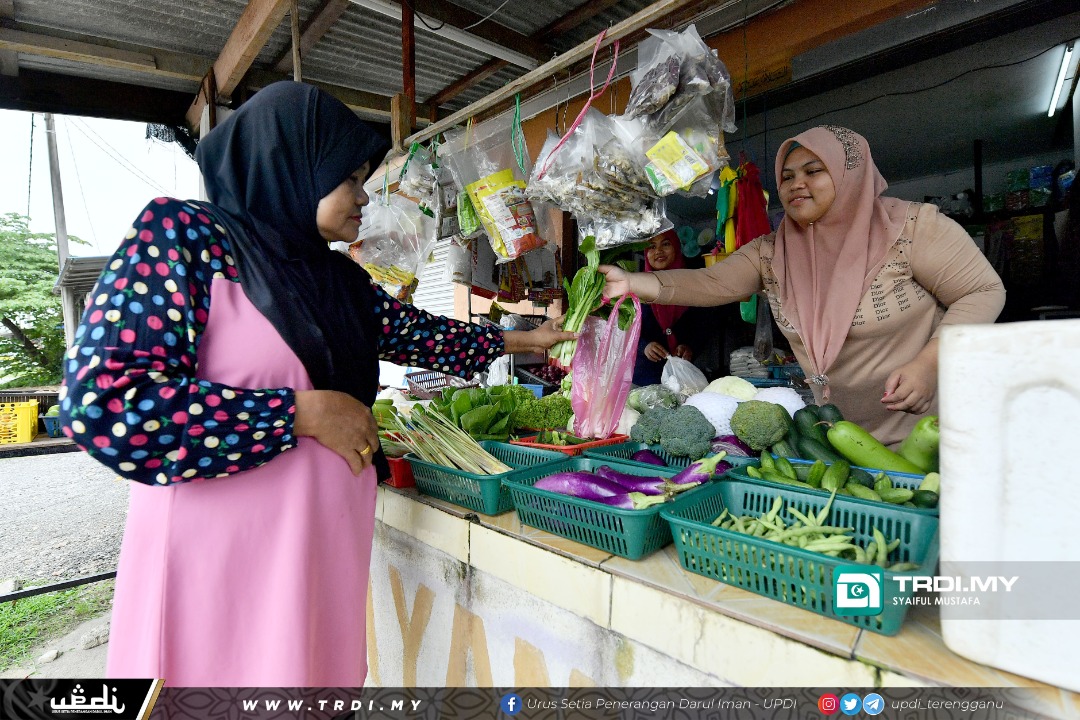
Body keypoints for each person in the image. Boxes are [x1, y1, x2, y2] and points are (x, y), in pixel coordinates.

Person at [58, 81, 574, 687]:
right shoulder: (187, 238)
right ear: (290, 165)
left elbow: (423, 336)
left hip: (318, 560)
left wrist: (529, 337)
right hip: (223, 571)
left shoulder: (338, 279)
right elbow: (104, 404)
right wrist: (295, 415)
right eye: (349, 178)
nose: (364, 198)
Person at [600, 125, 1005, 447]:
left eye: (814, 171)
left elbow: (983, 292)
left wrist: (929, 363)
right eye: (787, 175)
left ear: (851, 174)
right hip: (839, 435)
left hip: (931, 431)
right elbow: (712, 282)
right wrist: (633, 282)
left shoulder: (913, 229)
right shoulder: (773, 252)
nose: (796, 184)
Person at [633, 229, 702, 386]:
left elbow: (703, 325)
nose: (658, 251)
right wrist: (644, 346)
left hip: (683, 379)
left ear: (676, 247)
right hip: (643, 381)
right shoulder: (636, 288)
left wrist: (690, 347)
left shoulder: (693, 285)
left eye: (665, 244)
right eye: (651, 246)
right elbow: (624, 330)